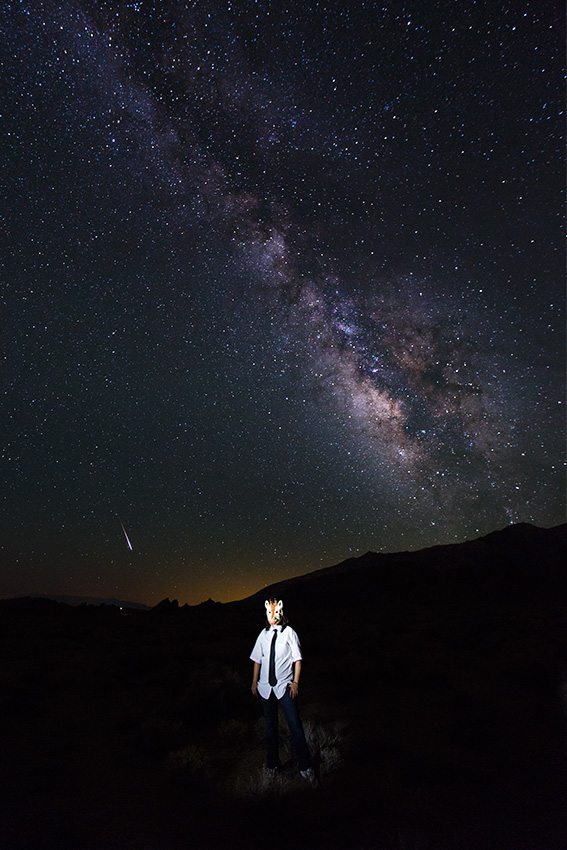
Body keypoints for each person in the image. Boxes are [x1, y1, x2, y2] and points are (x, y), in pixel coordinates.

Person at [250, 599, 314, 782]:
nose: (272, 617)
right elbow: (257, 659)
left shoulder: (289, 633)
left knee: (295, 726)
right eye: (269, 613)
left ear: (281, 613)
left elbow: (297, 660)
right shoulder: (263, 634)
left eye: (275, 613)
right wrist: (254, 681)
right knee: (270, 729)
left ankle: (306, 767)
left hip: (284, 686)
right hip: (265, 688)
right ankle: (273, 765)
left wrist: (295, 683)